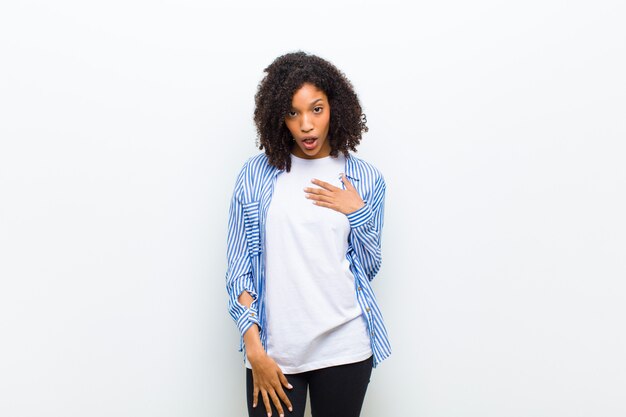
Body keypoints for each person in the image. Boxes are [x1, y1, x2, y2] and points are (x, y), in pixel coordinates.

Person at [226, 51, 390, 417]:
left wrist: (357, 212)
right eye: (293, 112)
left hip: (344, 347)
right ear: (277, 116)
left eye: (316, 109)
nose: (306, 125)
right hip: (273, 350)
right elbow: (239, 269)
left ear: (336, 108)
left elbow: (368, 267)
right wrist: (254, 350)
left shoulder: (364, 179)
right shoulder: (255, 175)